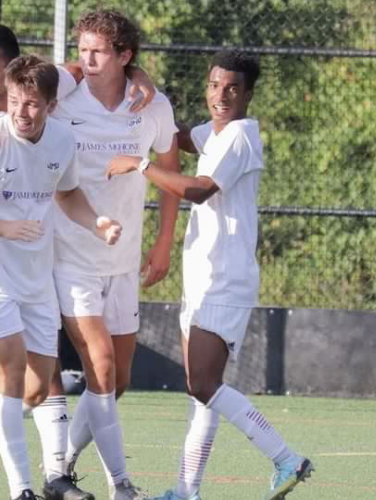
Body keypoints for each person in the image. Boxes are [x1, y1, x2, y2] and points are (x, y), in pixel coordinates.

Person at [0, 24, 154, 500]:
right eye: (15, 103)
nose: (22, 113)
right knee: (7, 382)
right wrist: (3, 228)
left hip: (35, 281)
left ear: (52, 106)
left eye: (32, 105)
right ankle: (23, 488)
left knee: (33, 391)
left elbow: (68, 195)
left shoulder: (60, 141)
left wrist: (99, 223)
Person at [105, 49, 315, 500]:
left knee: (204, 384)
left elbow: (199, 191)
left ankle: (285, 458)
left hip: (226, 280)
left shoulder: (240, 136)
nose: (221, 95)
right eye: (215, 85)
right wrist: (136, 81)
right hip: (203, 279)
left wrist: (140, 165)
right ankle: (185, 491)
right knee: (199, 393)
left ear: (248, 95)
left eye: (232, 88)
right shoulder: (215, 132)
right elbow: (179, 136)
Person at [49, 10, 182, 499]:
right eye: (82, 48)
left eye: (99, 50)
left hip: (124, 262)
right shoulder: (63, 96)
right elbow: (28, 80)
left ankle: (57, 465)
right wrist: (79, 65)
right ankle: (120, 485)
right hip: (70, 255)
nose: (87, 58)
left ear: (125, 56)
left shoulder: (153, 105)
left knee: (117, 379)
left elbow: (169, 172)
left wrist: (164, 242)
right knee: (100, 367)